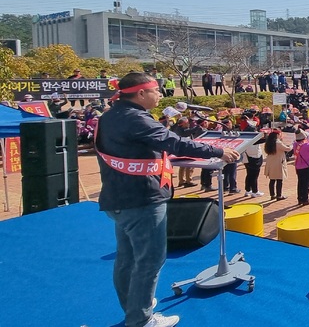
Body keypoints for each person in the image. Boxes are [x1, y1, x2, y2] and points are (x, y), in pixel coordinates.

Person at [96, 72, 239, 327]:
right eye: (156, 91)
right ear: (141, 93)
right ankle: (140, 320)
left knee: (127, 258)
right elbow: (174, 143)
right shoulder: (136, 119)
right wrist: (218, 150)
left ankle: (134, 306)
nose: (160, 95)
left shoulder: (110, 116)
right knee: (149, 261)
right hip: (141, 199)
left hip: (117, 197)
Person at [264, 129, 292, 200]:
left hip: (271, 163)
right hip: (278, 163)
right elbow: (287, 148)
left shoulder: (269, 142)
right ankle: (279, 195)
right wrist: (291, 145)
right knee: (279, 180)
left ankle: (272, 195)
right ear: (277, 135)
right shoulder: (278, 143)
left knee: (272, 180)